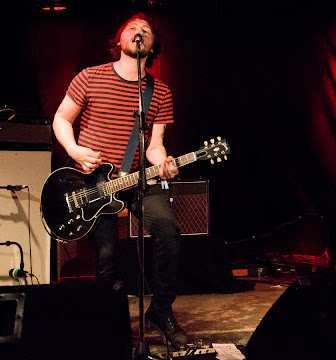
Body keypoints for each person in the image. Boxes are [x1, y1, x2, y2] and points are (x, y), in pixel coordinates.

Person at [52, 13, 187, 350]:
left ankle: (160, 310)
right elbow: (61, 118)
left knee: (169, 231)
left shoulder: (160, 92)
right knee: (107, 256)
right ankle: (110, 323)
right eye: (131, 28)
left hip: (137, 180)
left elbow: (155, 146)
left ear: (153, 45)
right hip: (94, 183)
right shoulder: (90, 77)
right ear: (119, 40)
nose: (138, 32)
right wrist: (74, 149)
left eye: (146, 30)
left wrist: (165, 163)